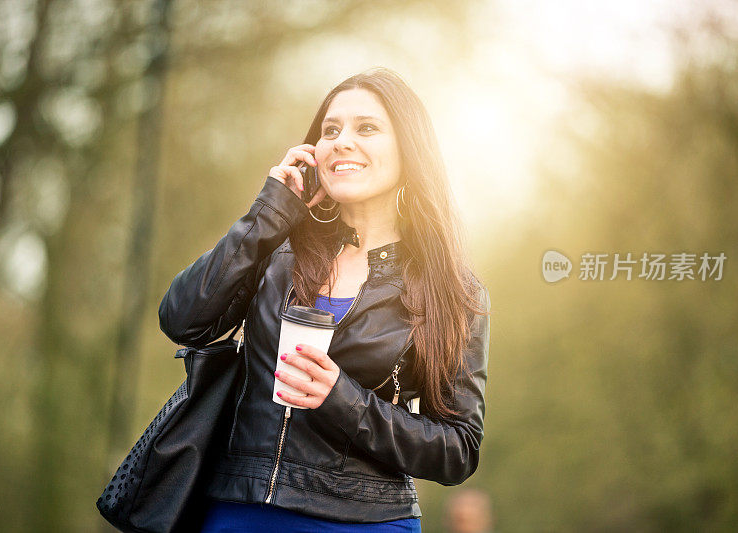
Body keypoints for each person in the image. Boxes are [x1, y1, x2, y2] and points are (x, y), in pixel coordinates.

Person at [158, 67, 491, 532]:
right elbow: (182, 319)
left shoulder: (453, 291)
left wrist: (342, 399)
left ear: (409, 150)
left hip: (364, 519)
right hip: (239, 507)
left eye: (367, 128)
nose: (341, 141)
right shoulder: (275, 250)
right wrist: (271, 211)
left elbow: (458, 449)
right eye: (330, 130)